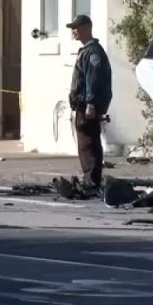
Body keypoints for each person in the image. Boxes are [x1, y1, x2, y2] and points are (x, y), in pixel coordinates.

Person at [66, 14, 112, 190]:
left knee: (88, 144)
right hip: (83, 104)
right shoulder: (87, 51)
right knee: (86, 143)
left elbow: (93, 79)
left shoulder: (93, 53)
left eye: (76, 28)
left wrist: (91, 104)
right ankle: (89, 178)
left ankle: (92, 180)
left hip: (87, 106)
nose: (74, 32)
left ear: (86, 28)